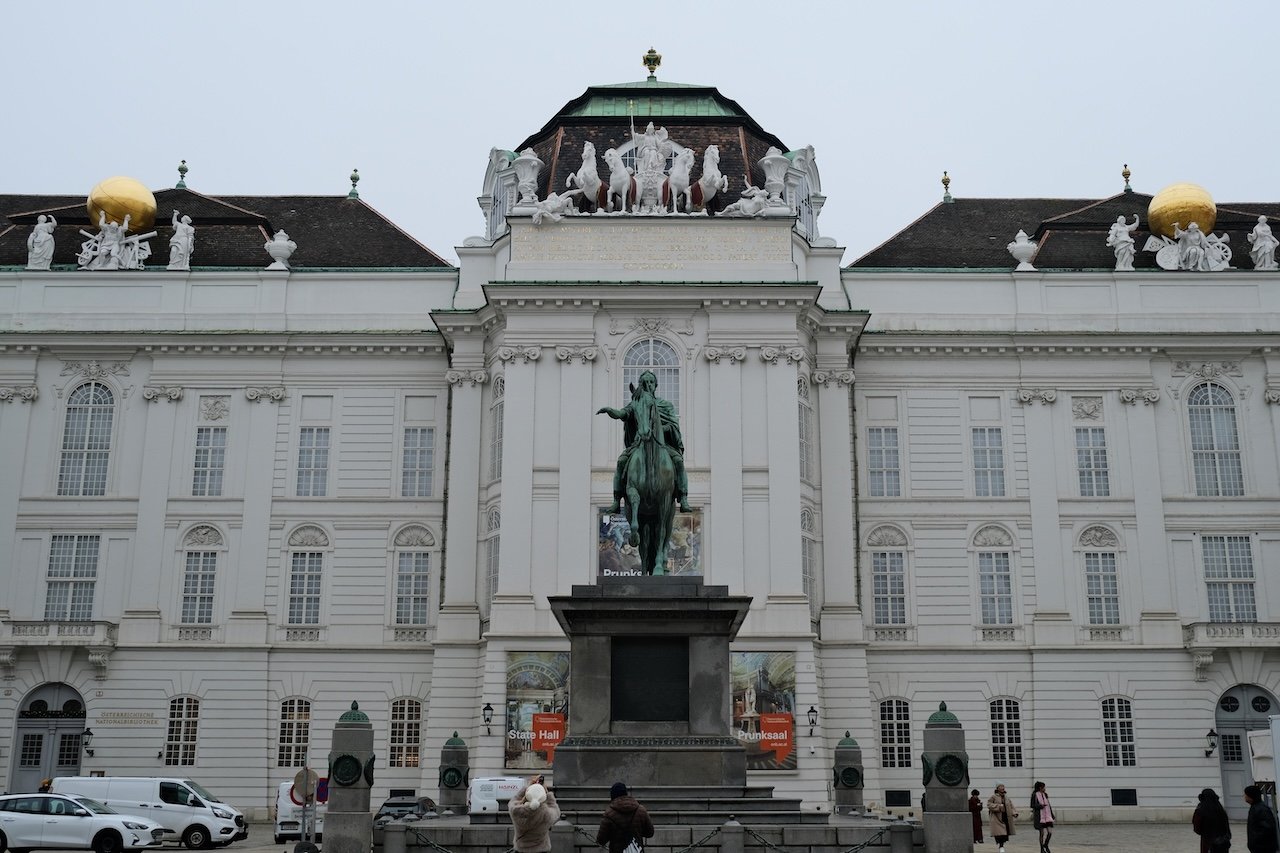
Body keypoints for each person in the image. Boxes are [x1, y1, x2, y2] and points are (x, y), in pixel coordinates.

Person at [597, 370, 692, 513]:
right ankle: (617, 500)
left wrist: (660, 429)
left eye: (651, 382)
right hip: (639, 443)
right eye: (644, 382)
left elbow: (673, 425)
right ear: (640, 385)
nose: (648, 385)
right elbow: (623, 414)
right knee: (621, 462)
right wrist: (611, 411)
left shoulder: (665, 405)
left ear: (656, 385)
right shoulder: (636, 403)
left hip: (662, 445)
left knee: (678, 461)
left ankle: (683, 497)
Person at [597, 781, 654, 853]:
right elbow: (650, 833)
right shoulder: (641, 810)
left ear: (612, 796)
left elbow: (601, 840)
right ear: (626, 794)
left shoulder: (609, 814)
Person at [509, 775, 559, 853]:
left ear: (527, 795)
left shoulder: (516, 811)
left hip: (521, 850)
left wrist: (528, 787)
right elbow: (555, 810)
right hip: (541, 850)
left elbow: (513, 801)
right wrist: (547, 793)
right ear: (543, 796)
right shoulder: (546, 814)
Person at [1193, 787, 1232, 853]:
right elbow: (1226, 826)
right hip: (1223, 842)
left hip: (1208, 841)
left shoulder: (1200, 810)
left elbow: (1197, 828)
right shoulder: (1221, 810)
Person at [1245, 784, 1278, 853]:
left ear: (1251, 796)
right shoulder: (1255, 807)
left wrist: (1256, 842)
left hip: (1263, 848)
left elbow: (1267, 829)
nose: (1244, 797)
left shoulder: (1261, 809)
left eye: (1246, 795)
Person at [987, 783, 1017, 853]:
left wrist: (1014, 813)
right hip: (997, 818)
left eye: (1003, 786)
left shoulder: (1006, 797)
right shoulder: (993, 797)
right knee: (999, 833)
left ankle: (1002, 845)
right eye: (1001, 786)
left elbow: (1011, 806)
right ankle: (1001, 846)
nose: (1003, 788)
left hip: (1005, 817)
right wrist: (998, 807)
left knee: (1004, 833)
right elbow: (989, 804)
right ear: (997, 788)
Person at [1031, 781, 1054, 853]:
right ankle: (1041, 848)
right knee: (1042, 833)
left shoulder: (1045, 794)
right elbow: (1032, 805)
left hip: (1048, 816)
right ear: (1040, 788)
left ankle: (1046, 845)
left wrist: (1052, 815)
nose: (1045, 788)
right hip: (1040, 817)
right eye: (1044, 787)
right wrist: (1040, 806)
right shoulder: (1034, 795)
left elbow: (1049, 805)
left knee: (1050, 832)